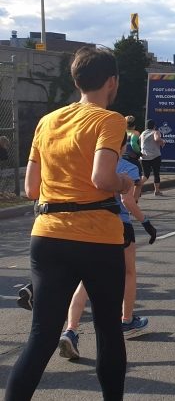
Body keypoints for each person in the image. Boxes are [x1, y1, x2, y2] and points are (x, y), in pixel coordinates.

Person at [7, 47, 135, 399]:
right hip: (97, 237)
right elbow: (102, 178)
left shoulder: (47, 121)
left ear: (76, 80)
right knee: (108, 330)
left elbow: (31, 189)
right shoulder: (109, 120)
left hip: (48, 234)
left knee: (41, 336)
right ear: (112, 82)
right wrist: (124, 182)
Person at [59, 135, 158, 361]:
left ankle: (71, 330)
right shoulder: (129, 167)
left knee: (86, 279)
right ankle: (127, 320)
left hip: (90, 225)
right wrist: (146, 222)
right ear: (123, 146)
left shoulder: (89, 163)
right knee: (129, 272)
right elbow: (128, 202)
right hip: (118, 225)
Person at [139, 118, 166, 196]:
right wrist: (163, 142)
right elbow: (157, 139)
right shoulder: (155, 132)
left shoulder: (143, 133)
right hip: (155, 156)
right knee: (156, 173)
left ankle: (137, 188)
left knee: (145, 175)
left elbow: (139, 142)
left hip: (144, 156)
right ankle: (157, 191)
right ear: (154, 126)